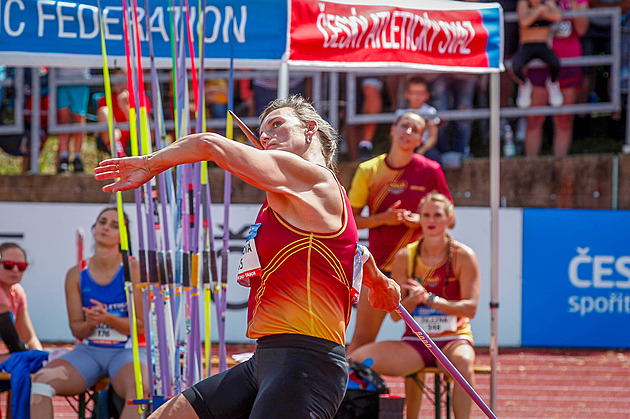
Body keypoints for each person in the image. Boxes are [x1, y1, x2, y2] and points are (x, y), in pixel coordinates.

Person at [93, 95, 401, 418]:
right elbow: (356, 253)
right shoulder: (301, 197)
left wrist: (150, 163)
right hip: (265, 360)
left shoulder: (313, 178)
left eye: (277, 125)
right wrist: (380, 283)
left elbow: (209, 144)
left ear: (311, 129)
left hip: (306, 366)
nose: (266, 136)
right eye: (262, 131)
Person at [350, 192, 480, 419]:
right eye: (426, 215)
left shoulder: (463, 255)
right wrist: (412, 300)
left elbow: (470, 308)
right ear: (419, 218)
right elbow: (396, 315)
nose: (431, 221)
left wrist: (431, 300)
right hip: (415, 343)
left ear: (449, 219)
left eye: (437, 215)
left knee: (464, 364)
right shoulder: (405, 256)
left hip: (452, 340)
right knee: (356, 360)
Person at [346, 112, 452, 356]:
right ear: (393, 129)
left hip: (421, 270)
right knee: (361, 339)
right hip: (379, 269)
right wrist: (383, 219)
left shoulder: (431, 170)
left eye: (415, 130)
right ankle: (348, 392)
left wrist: (420, 220)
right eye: (404, 126)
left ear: (420, 139)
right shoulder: (369, 170)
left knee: (426, 344)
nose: (408, 132)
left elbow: (450, 217)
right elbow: (349, 221)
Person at [30, 208, 148, 419]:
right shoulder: (75, 274)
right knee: (41, 382)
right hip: (89, 352)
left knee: (140, 388)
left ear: (123, 236)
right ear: (94, 228)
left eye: (114, 225)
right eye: (102, 222)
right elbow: (77, 328)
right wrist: (92, 323)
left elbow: (140, 325)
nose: (106, 227)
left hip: (126, 352)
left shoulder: (134, 268)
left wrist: (108, 318)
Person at [524, 0, 589, 156]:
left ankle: (560, 168)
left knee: (564, 121)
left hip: (569, 61)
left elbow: (581, 29)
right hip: (540, 61)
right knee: (534, 119)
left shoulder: (580, 2)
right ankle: (530, 167)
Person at [513, 0, 564, 108]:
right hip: (526, 44)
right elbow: (524, 21)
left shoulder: (548, 2)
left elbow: (558, 16)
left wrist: (535, 12)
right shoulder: (523, 3)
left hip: (543, 44)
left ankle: (552, 83)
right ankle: (524, 85)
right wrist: (540, 10)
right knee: (516, 65)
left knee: (555, 63)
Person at [0, 242, 43, 362]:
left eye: (21, 266)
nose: (15, 270)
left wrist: (40, 356)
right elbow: (15, 345)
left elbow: (29, 337)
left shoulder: (17, 292)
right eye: (8, 265)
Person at [394, 76, 441, 162]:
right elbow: (395, 135)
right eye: (414, 93)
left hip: (423, 146)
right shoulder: (400, 113)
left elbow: (433, 137)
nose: (417, 96)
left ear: (426, 95)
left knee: (434, 157)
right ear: (407, 95)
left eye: (420, 93)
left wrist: (422, 150)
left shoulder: (430, 111)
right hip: (404, 145)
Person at [55, 67, 91, 173]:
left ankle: (77, 157)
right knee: (63, 119)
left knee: (79, 118)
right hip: (61, 79)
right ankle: (64, 156)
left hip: (81, 79)